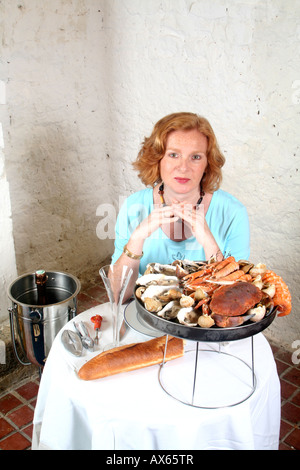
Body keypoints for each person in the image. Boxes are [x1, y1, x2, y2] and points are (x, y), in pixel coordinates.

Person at [110, 112, 250, 297]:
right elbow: (118, 294)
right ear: (157, 159)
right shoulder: (132, 207)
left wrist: (209, 242)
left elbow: (236, 299)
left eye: (196, 157)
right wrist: (137, 238)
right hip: (143, 319)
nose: (183, 167)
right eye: (173, 154)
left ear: (208, 163)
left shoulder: (233, 213)